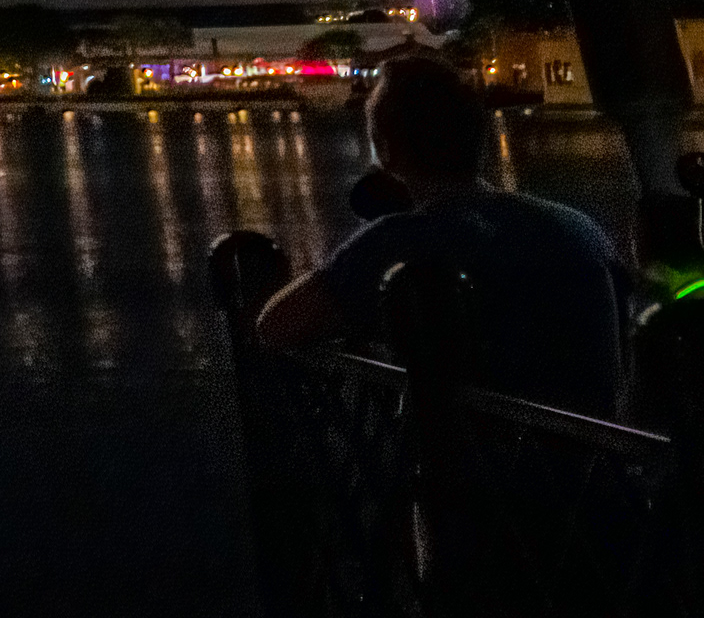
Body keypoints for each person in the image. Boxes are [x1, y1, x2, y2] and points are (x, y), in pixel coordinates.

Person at [256, 52, 627, 419]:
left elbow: (277, 326)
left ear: (386, 151)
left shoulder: (405, 243)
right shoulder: (576, 225)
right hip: (597, 457)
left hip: (488, 463)